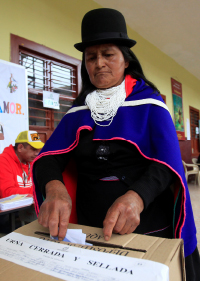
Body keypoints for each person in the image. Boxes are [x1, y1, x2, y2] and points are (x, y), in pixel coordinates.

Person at [33, 8, 200, 280]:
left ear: (125, 60)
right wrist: (54, 188)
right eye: (91, 57)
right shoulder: (78, 110)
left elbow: (167, 165)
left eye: (108, 54)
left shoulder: (151, 104)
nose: (99, 63)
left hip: (147, 227)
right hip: (88, 230)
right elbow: (50, 157)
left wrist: (136, 198)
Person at [0, 130, 44, 198]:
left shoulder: (32, 161)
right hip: (12, 208)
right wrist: (40, 191)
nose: (36, 153)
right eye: (33, 149)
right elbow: (7, 193)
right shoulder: (3, 161)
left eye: (38, 150)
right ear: (20, 148)